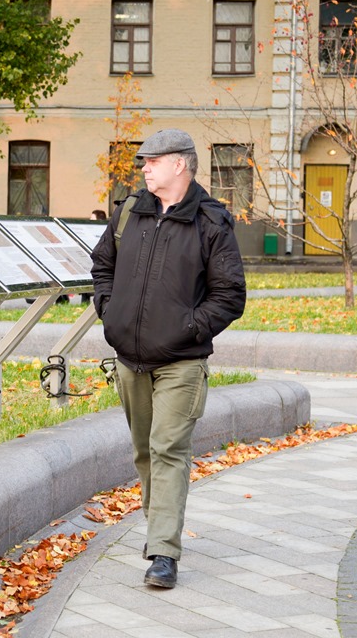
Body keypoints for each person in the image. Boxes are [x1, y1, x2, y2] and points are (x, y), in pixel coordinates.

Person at [90, 128, 246, 589]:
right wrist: (109, 310)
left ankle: (163, 552)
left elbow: (229, 295)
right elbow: (102, 266)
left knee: (168, 449)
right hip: (129, 358)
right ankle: (160, 528)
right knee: (144, 451)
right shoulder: (128, 214)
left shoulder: (211, 223)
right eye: (144, 163)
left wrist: (187, 331)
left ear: (180, 164)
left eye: (152, 161)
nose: (144, 168)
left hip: (181, 362)